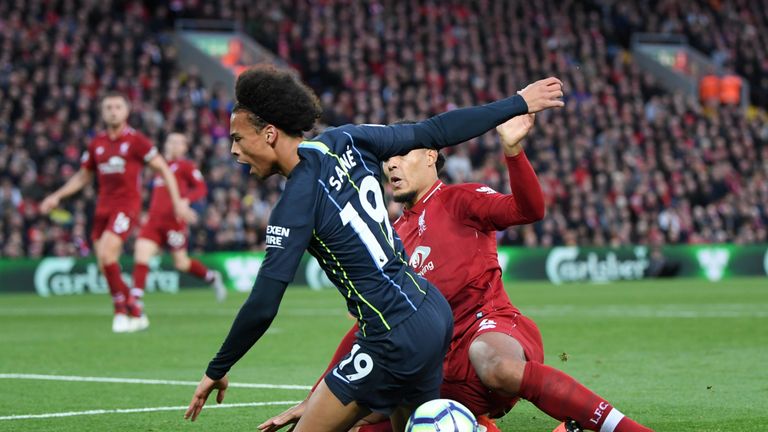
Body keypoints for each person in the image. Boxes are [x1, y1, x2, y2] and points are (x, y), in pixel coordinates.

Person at [184, 65, 565, 432]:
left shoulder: (294, 204)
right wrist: (518, 101)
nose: (233, 150)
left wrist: (217, 368)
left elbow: (264, 302)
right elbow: (434, 130)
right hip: (430, 312)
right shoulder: (346, 139)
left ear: (269, 134)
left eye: (237, 138)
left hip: (391, 332)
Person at [260, 114, 653, 432]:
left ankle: (624, 428)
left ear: (431, 155)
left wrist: (512, 151)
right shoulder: (391, 236)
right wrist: (317, 397)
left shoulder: (460, 200)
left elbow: (528, 210)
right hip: (436, 363)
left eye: (402, 154)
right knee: (361, 418)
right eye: (387, 159)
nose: (391, 164)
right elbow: (371, 326)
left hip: (490, 330)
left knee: (492, 363)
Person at [40, 92, 195, 333]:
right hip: (102, 208)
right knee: (104, 263)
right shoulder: (97, 143)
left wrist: (177, 202)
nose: (113, 111)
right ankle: (136, 309)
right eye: (109, 107)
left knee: (108, 252)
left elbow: (164, 169)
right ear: (102, 113)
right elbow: (83, 176)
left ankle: (121, 311)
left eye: (118, 107)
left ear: (126, 111)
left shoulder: (136, 141)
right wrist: (57, 195)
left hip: (127, 206)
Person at [130, 132, 227, 327]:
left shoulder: (186, 166)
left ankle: (211, 277)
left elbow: (201, 188)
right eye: (170, 141)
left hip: (174, 223)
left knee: (181, 263)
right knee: (141, 253)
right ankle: (135, 301)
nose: (173, 145)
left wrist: (185, 201)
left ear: (184, 148)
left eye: (178, 142)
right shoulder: (159, 167)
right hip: (154, 222)